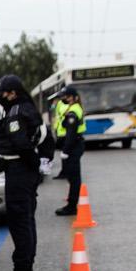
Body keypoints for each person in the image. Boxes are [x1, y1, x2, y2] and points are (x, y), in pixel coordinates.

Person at [0, 74, 45, 271]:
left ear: (12, 93)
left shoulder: (15, 113)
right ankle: (27, 270)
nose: (0, 99)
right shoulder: (25, 108)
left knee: (19, 223)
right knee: (27, 221)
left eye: (2, 94)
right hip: (22, 170)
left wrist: (27, 165)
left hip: (20, 174)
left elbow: (21, 144)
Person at [53, 86, 86, 216]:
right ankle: (71, 204)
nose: (64, 99)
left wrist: (65, 151)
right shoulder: (72, 108)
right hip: (75, 144)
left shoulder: (73, 111)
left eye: (67, 97)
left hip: (73, 145)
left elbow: (71, 133)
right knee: (72, 176)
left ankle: (72, 206)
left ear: (73, 97)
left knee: (74, 177)